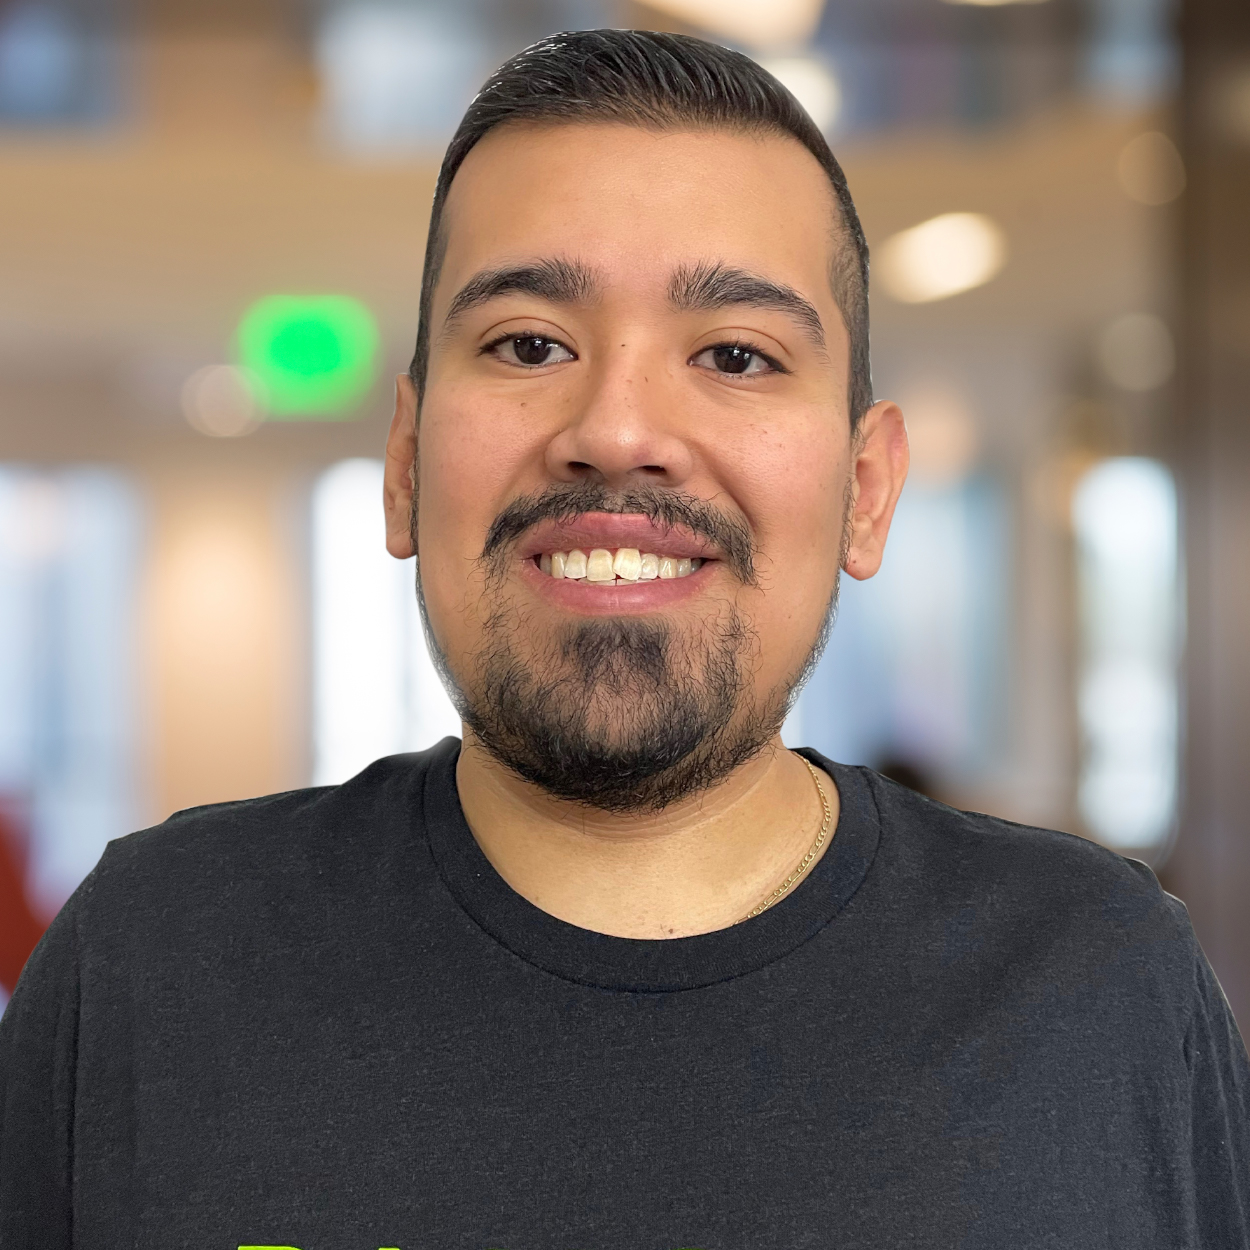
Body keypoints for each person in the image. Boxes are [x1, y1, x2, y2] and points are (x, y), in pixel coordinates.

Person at [2, 28, 1247, 1250]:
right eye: (528, 343)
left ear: (865, 490)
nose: (615, 428)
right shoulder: (152, 959)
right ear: (405, 464)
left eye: (735, 354)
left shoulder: (1098, 984)